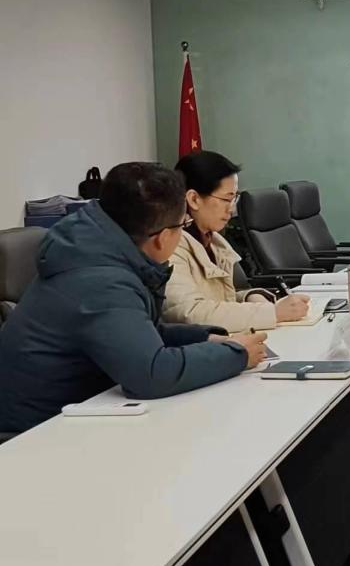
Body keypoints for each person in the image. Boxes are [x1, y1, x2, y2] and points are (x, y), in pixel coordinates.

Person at [0, 162, 267, 434]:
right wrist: (237, 355)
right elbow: (153, 373)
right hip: (34, 436)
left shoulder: (97, 250)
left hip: (78, 413)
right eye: (183, 225)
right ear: (163, 237)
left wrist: (205, 338)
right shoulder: (101, 281)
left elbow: (138, 333)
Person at [164, 151, 310, 332]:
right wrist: (272, 313)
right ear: (194, 199)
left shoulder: (211, 240)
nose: (231, 209)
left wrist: (249, 297)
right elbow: (189, 313)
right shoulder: (170, 246)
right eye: (226, 199)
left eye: (234, 198)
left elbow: (219, 300)